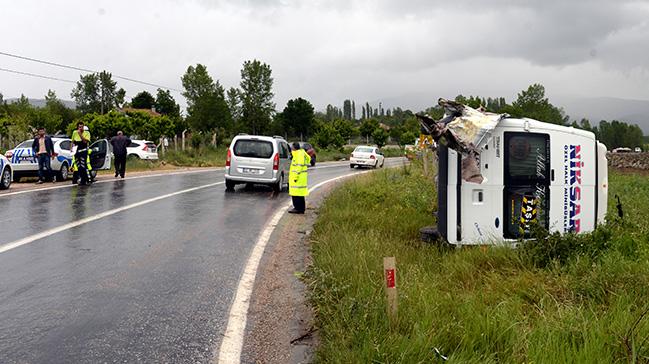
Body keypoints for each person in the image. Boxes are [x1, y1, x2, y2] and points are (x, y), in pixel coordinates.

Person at [288, 141, 311, 214]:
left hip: (297, 179)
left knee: (296, 195)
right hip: (301, 178)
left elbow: (299, 167)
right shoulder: (301, 154)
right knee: (300, 195)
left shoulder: (298, 155)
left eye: (292, 147)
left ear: (294, 148)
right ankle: (301, 209)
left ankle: (297, 208)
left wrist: (295, 177)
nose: (291, 149)